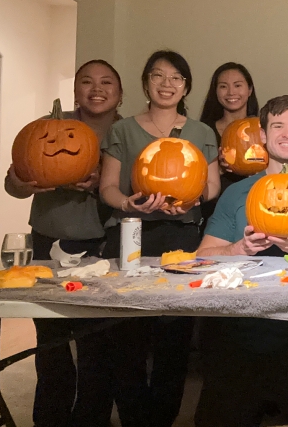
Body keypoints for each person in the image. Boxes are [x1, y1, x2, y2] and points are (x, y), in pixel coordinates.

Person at [195, 95, 288, 427]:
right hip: (238, 334)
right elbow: (202, 257)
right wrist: (239, 249)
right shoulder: (237, 193)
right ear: (262, 135)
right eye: (278, 126)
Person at [99, 50, 221, 427]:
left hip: (183, 235)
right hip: (133, 235)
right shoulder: (123, 130)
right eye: (158, 76)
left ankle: (163, 418)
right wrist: (130, 202)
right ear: (145, 83)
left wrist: (189, 198)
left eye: (176, 78)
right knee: (129, 335)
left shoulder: (201, 132)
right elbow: (107, 187)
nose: (167, 84)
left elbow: (212, 185)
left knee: (174, 337)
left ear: (186, 86)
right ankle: (135, 418)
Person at [4, 59, 122, 427]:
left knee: (95, 343)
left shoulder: (128, 132)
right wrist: (24, 184)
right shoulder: (47, 128)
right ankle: (50, 417)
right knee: (51, 337)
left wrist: (102, 186)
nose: (96, 88)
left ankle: (91, 418)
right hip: (48, 239)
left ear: (120, 94)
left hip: (102, 245)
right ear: (75, 91)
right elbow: (13, 181)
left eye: (106, 82)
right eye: (87, 81)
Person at [199, 62, 260, 222]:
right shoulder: (204, 131)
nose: (231, 92)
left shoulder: (264, 128)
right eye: (223, 86)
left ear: (250, 90)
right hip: (216, 213)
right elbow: (190, 179)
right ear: (216, 92)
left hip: (257, 209)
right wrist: (216, 169)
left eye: (238, 85)